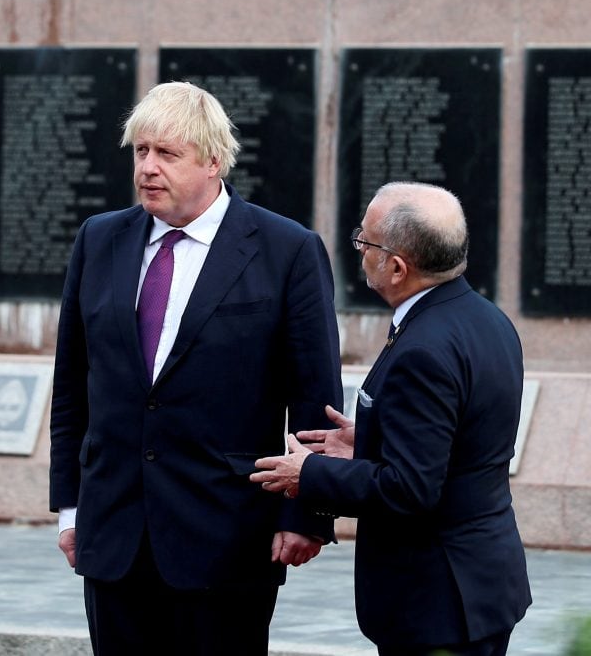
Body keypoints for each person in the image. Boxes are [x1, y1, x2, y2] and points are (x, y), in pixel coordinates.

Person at [50, 80, 343, 656]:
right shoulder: (99, 239)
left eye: (167, 154)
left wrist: (307, 513)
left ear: (214, 162)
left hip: (228, 536)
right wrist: (70, 507)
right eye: (141, 151)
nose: (148, 169)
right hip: (113, 534)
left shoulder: (286, 250)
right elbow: (72, 385)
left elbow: (315, 396)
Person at [251, 181, 532, 656]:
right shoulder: (485, 318)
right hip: (479, 585)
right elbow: (458, 440)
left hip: (439, 603)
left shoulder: (423, 349)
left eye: (366, 240)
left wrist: (311, 473)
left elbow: (411, 490)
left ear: (397, 267)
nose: (358, 248)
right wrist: (372, 442)